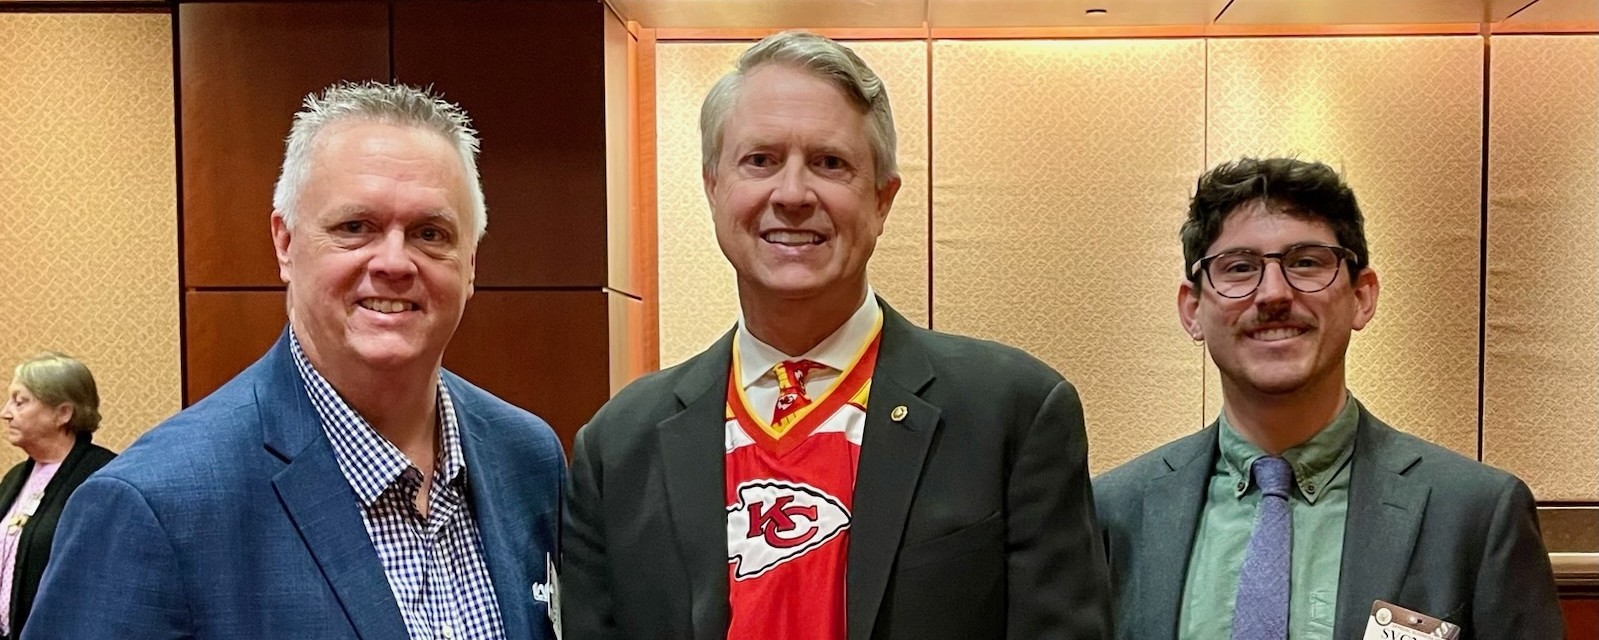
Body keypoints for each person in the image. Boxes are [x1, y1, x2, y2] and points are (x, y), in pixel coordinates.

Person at [561, 31, 1112, 640]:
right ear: (714, 187)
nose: (793, 195)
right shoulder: (616, 449)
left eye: (830, 163)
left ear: (882, 199)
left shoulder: (1014, 416)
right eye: (760, 160)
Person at [25, 82, 564, 640]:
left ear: (470, 263)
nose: (395, 262)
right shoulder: (153, 506)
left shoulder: (526, 459)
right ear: (285, 243)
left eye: (431, 234)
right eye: (355, 228)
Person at [1094, 157, 1564, 639]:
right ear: (1192, 310)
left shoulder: (1475, 514)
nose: (1273, 293)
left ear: (1362, 296)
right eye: (1239, 268)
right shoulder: (1112, 512)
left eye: (1305, 262)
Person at [0, 353, 116, 640]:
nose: (5, 412)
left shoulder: (101, 478)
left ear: (62, 413)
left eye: (20, 401)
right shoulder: (14, 478)